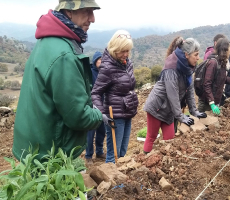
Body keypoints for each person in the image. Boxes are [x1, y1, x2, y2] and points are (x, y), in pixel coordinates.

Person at [12, 0, 103, 161]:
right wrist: (98, 115)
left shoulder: (47, 41)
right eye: (87, 11)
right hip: (49, 155)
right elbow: (78, 116)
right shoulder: (64, 55)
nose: (92, 18)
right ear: (69, 12)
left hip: (32, 146)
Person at [143, 37, 207, 153]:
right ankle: (144, 162)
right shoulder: (171, 68)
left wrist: (194, 111)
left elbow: (190, 90)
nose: (198, 58)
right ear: (187, 55)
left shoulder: (187, 68)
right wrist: (180, 116)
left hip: (169, 110)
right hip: (157, 107)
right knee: (152, 137)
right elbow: (173, 95)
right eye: (196, 54)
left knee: (170, 139)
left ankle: (164, 165)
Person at [91, 30, 138, 163]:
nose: (125, 54)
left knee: (122, 152)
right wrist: (102, 114)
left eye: (128, 51)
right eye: (122, 51)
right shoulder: (107, 68)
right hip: (114, 116)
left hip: (127, 111)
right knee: (113, 155)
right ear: (115, 48)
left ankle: (121, 179)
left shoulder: (127, 63)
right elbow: (95, 92)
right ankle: (110, 182)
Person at [197, 38, 230, 115]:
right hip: (207, 102)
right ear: (225, 50)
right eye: (229, 49)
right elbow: (207, 83)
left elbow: (223, 78)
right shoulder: (213, 63)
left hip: (215, 99)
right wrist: (212, 103)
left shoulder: (222, 62)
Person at [85, 51, 106, 165]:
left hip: (102, 106)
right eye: (99, 60)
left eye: (103, 60)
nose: (101, 62)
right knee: (90, 132)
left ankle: (99, 151)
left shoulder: (103, 73)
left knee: (101, 131)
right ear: (95, 61)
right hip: (92, 107)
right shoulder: (89, 73)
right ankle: (88, 156)